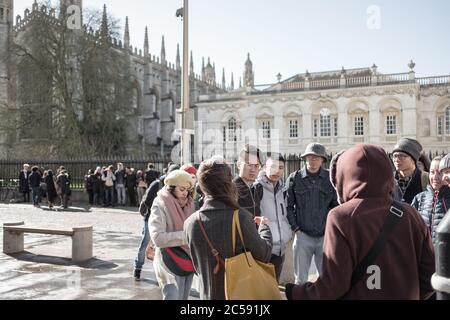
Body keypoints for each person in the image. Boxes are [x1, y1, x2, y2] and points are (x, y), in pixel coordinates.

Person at [285, 144, 435, 300]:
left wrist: (295, 292)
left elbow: (333, 286)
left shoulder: (341, 217)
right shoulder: (411, 214)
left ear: (345, 176)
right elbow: (429, 276)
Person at [184, 155, 273, 300]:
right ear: (228, 183)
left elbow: (197, 267)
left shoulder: (190, 223)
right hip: (240, 295)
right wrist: (263, 227)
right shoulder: (240, 217)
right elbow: (263, 254)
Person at [286, 143, 338, 284]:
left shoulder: (330, 179)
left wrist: (331, 231)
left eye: (317, 157)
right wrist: (296, 229)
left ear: (322, 160)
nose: (313, 160)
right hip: (303, 236)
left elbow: (336, 207)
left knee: (326, 279)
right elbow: (288, 206)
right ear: (305, 158)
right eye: (310, 157)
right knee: (300, 280)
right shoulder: (294, 178)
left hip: (325, 237)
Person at [148, 169, 196, 300]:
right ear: (171, 188)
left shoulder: (191, 203)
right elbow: (157, 238)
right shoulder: (160, 203)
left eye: (188, 189)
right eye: (182, 189)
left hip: (188, 260)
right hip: (167, 262)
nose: (185, 193)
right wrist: (186, 236)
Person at [133, 164, 179, 281]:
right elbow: (147, 200)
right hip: (151, 219)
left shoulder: (176, 187)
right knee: (145, 242)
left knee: (163, 246)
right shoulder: (157, 184)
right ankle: (138, 268)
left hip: (167, 220)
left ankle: (163, 272)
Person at [254, 152, 293, 282]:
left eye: (281, 168)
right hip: (264, 249)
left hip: (280, 249)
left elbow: (284, 214)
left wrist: (287, 232)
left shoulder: (283, 188)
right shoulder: (256, 188)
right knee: (261, 290)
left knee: (273, 288)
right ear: (265, 167)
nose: (277, 171)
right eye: (273, 167)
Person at [412, 156, 450, 245]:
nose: (435, 177)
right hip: (424, 254)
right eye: (432, 172)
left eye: (440, 173)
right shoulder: (419, 198)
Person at [392, 138, 429, 203]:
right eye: (395, 156)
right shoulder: (389, 178)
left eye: (402, 156)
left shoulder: (426, 178)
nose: (397, 160)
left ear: (413, 159)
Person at [233, 144, 263, 218]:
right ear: (239, 165)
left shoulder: (257, 188)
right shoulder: (232, 188)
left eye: (256, 166)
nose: (253, 169)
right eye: (249, 164)